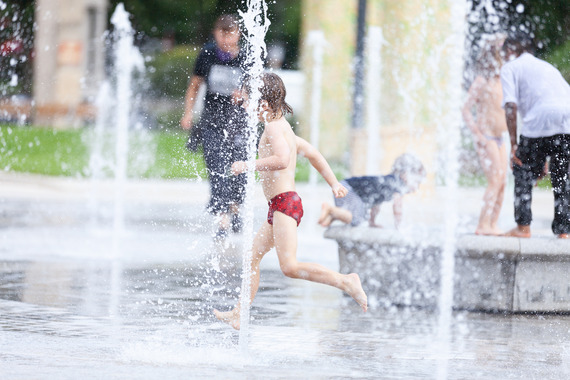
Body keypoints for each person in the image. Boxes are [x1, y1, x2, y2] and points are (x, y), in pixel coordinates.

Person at [214, 73, 368, 329]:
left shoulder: (274, 127)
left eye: (247, 100)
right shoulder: (282, 125)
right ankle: (240, 312)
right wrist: (334, 183)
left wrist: (247, 165)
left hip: (285, 204)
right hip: (280, 206)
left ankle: (346, 281)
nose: (243, 105)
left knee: (290, 266)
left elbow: (283, 159)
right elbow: (313, 153)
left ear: (263, 103)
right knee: (251, 257)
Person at [180, 14, 248, 239]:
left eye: (230, 34)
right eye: (222, 34)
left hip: (240, 125)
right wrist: (188, 113)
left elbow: (260, 87)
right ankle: (222, 221)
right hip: (212, 123)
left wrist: (246, 93)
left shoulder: (248, 55)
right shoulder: (208, 54)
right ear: (216, 33)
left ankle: (236, 207)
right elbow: (195, 85)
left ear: (238, 34)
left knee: (239, 171)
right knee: (217, 169)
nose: (226, 39)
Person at [500, 33, 570, 239]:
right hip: (567, 120)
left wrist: (514, 145)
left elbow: (510, 106)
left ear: (511, 51)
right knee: (563, 176)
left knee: (521, 168)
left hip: (538, 120)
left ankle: (523, 227)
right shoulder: (547, 67)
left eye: (504, 53)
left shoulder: (510, 68)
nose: (502, 58)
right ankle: (564, 231)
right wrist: (541, 160)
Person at [462, 36, 508, 235]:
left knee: (503, 182)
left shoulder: (502, 79)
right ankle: (482, 224)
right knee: (494, 181)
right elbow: (465, 109)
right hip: (487, 137)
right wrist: (478, 135)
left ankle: (493, 223)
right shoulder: (482, 81)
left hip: (500, 138)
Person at [318, 154, 425, 229]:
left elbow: (376, 204)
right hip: (349, 189)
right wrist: (399, 226)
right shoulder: (398, 184)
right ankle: (330, 209)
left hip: (346, 186)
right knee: (357, 219)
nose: (417, 188)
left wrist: (372, 222)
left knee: (360, 217)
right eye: (417, 182)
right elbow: (397, 207)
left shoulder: (388, 182)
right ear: (405, 175)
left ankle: (331, 217)